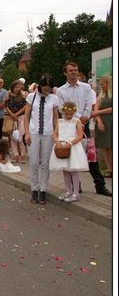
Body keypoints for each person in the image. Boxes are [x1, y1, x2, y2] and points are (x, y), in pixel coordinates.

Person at [56, 62, 112, 196]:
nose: (74, 72)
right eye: (71, 70)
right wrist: (78, 119)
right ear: (65, 73)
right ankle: (76, 185)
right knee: (71, 156)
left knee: (91, 156)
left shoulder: (86, 87)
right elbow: (62, 108)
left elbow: (89, 103)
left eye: (75, 70)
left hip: (84, 125)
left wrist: (85, 117)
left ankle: (100, 185)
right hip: (70, 127)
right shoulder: (61, 90)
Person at [24, 75, 59, 204]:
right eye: (45, 89)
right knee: (33, 162)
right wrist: (26, 133)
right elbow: (26, 116)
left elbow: (55, 117)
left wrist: (56, 133)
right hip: (33, 133)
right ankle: (34, 189)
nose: (47, 91)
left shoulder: (54, 98)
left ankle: (43, 190)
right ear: (40, 86)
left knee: (45, 163)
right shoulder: (31, 97)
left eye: (49, 89)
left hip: (48, 133)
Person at [49, 102, 89, 203]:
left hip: (73, 146)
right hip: (61, 145)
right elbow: (55, 133)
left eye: (70, 114)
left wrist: (71, 143)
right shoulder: (59, 121)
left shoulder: (77, 121)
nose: (68, 116)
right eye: (66, 114)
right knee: (65, 170)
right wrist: (57, 141)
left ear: (74, 113)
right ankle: (68, 191)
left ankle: (76, 193)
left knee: (73, 171)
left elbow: (80, 135)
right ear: (63, 112)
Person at [92, 75, 112, 178]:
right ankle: (110, 169)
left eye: (102, 84)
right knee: (105, 148)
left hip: (111, 123)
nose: (101, 86)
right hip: (102, 125)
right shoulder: (100, 96)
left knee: (112, 147)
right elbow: (95, 111)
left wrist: (99, 112)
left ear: (108, 83)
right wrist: (99, 121)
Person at [5, 80, 27, 163]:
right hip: (11, 118)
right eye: (16, 87)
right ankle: (15, 155)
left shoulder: (23, 95)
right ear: (12, 87)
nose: (17, 89)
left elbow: (25, 107)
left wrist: (17, 114)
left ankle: (22, 155)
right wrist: (12, 115)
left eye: (19, 87)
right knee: (13, 137)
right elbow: (6, 106)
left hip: (21, 117)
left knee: (20, 137)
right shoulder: (8, 95)